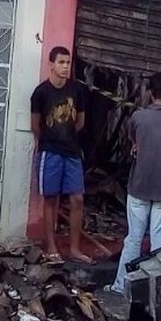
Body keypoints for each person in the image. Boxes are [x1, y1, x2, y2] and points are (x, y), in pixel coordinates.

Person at [111, 72, 161, 294]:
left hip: (139, 186)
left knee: (133, 239)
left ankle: (120, 286)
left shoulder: (138, 117)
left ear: (150, 92)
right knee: (159, 243)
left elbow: (134, 145)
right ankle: (155, 293)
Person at [30, 46, 92, 263]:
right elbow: (35, 125)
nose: (65, 67)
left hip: (73, 152)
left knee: (77, 198)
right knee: (51, 199)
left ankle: (74, 249)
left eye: (68, 63)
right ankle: (51, 246)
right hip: (50, 152)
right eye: (61, 62)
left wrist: (67, 138)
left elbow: (80, 122)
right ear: (52, 64)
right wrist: (50, 141)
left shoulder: (77, 91)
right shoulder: (41, 92)